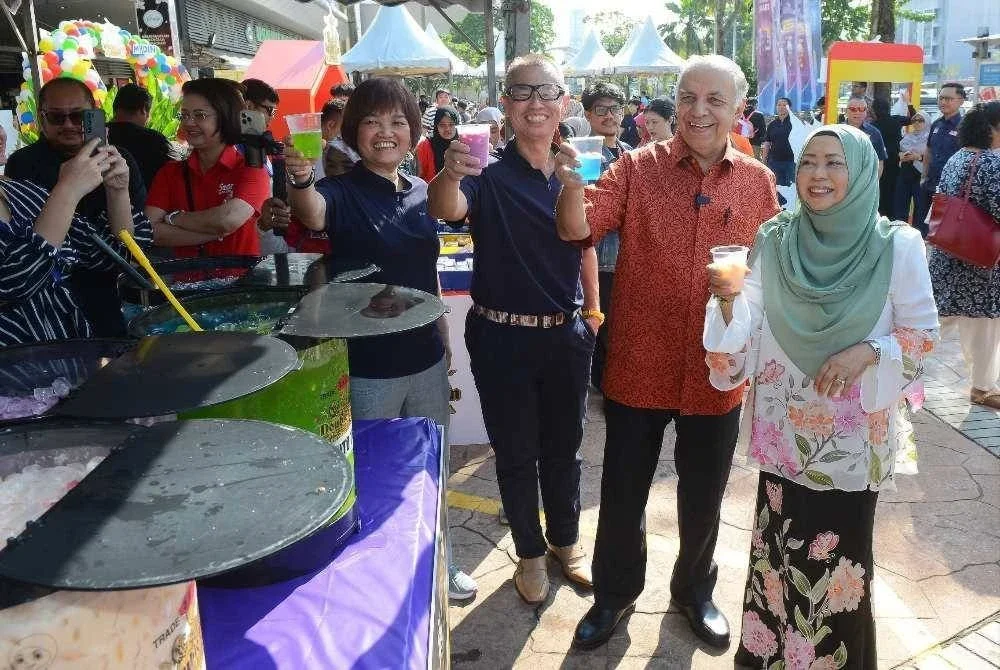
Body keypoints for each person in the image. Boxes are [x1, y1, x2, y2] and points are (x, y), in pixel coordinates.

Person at [554, 54, 781, 651]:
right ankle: (614, 595)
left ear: (738, 110)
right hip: (639, 360)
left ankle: (694, 591)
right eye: (687, 97)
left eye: (714, 100)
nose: (698, 111)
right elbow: (580, 231)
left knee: (704, 492)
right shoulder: (636, 168)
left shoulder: (757, 182)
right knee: (624, 488)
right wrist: (573, 188)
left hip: (717, 369)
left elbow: (775, 270)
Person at [703, 124, 938, 668]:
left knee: (838, 575)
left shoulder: (896, 245)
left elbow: (924, 337)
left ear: (861, 173)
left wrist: (870, 351)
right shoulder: (774, 238)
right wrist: (728, 306)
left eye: (834, 163)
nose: (818, 175)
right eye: (808, 162)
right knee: (778, 558)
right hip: (785, 434)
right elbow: (750, 321)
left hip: (850, 451)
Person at [283, 76, 479, 601]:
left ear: (415, 132)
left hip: (425, 358)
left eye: (398, 122)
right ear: (353, 132)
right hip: (366, 365)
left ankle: (443, 561)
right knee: (372, 471)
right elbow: (312, 212)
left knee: (430, 465)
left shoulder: (421, 193)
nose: (386, 132)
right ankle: (377, 578)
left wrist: (443, 341)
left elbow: (427, 277)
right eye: (372, 121)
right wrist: (300, 179)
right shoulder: (340, 192)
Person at [427, 54, 602, 606]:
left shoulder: (583, 168)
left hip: (566, 332)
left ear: (564, 104)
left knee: (566, 445)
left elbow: (586, 244)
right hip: (501, 334)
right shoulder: (486, 172)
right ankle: (529, 552)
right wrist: (450, 171)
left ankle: (565, 541)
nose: (535, 103)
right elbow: (447, 206)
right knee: (516, 449)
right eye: (522, 93)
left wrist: (594, 310)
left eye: (546, 92)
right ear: (505, 105)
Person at [4, 77, 148, 337]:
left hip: (107, 294)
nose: (69, 125)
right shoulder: (24, 164)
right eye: (58, 118)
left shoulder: (118, 159)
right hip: (38, 323)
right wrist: (68, 190)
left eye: (79, 116)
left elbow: (123, 248)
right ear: (42, 119)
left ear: (94, 114)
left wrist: (117, 191)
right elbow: (16, 281)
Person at [145, 78, 270, 257]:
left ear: (226, 117)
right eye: (185, 115)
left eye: (200, 115)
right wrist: (214, 233)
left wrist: (174, 218)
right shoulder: (170, 173)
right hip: (185, 282)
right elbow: (149, 231)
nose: (188, 123)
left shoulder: (251, 169)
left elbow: (227, 220)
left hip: (240, 281)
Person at [928, 101, 1000, 409]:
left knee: (936, 320)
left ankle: (898, 367)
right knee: (984, 326)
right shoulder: (993, 165)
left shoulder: (958, 158)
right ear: (993, 129)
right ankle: (982, 387)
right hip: (980, 262)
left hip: (949, 253)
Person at [581, 81, 631, 392]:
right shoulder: (583, 153)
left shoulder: (628, 153)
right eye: (602, 110)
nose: (610, 115)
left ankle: (608, 383)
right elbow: (585, 204)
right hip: (595, 256)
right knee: (598, 322)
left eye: (615, 109)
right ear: (588, 113)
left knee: (619, 325)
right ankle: (600, 385)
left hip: (625, 255)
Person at [919, 83, 966, 236]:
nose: (943, 102)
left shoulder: (964, 127)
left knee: (944, 234)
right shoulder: (936, 125)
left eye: (948, 99)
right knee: (925, 230)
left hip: (950, 190)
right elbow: (929, 151)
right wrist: (923, 177)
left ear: (961, 101)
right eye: (941, 98)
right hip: (930, 185)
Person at [107, 83, 174, 190]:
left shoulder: (98, 136)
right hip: (145, 203)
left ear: (116, 108)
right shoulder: (154, 140)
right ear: (143, 110)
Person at [894, 111, 930, 224]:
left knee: (920, 207)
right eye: (914, 120)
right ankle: (900, 231)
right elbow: (898, 151)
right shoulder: (907, 136)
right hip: (905, 173)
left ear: (927, 122)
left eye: (921, 120)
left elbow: (933, 157)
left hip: (921, 174)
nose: (917, 123)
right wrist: (900, 156)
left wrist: (918, 157)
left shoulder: (930, 138)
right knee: (901, 205)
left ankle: (918, 235)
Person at [844, 96, 887, 178]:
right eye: (853, 109)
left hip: (865, 181)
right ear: (846, 111)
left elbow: (880, 161)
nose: (857, 112)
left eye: (862, 109)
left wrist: (873, 184)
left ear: (866, 112)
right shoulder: (838, 131)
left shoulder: (874, 133)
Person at [414, 106, 459, 183]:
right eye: (442, 125)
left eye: (451, 124)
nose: (447, 129)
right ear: (436, 126)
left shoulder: (463, 145)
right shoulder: (425, 146)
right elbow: (418, 179)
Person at [763, 97, 795, 185]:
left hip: (791, 162)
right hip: (774, 162)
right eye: (779, 105)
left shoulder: (795, 124)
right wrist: (764, 160)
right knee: (776, 189)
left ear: (789, 108)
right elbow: (767, 143)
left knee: (790, 190)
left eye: (784, 105)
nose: (781, 107)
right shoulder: (772, 125)